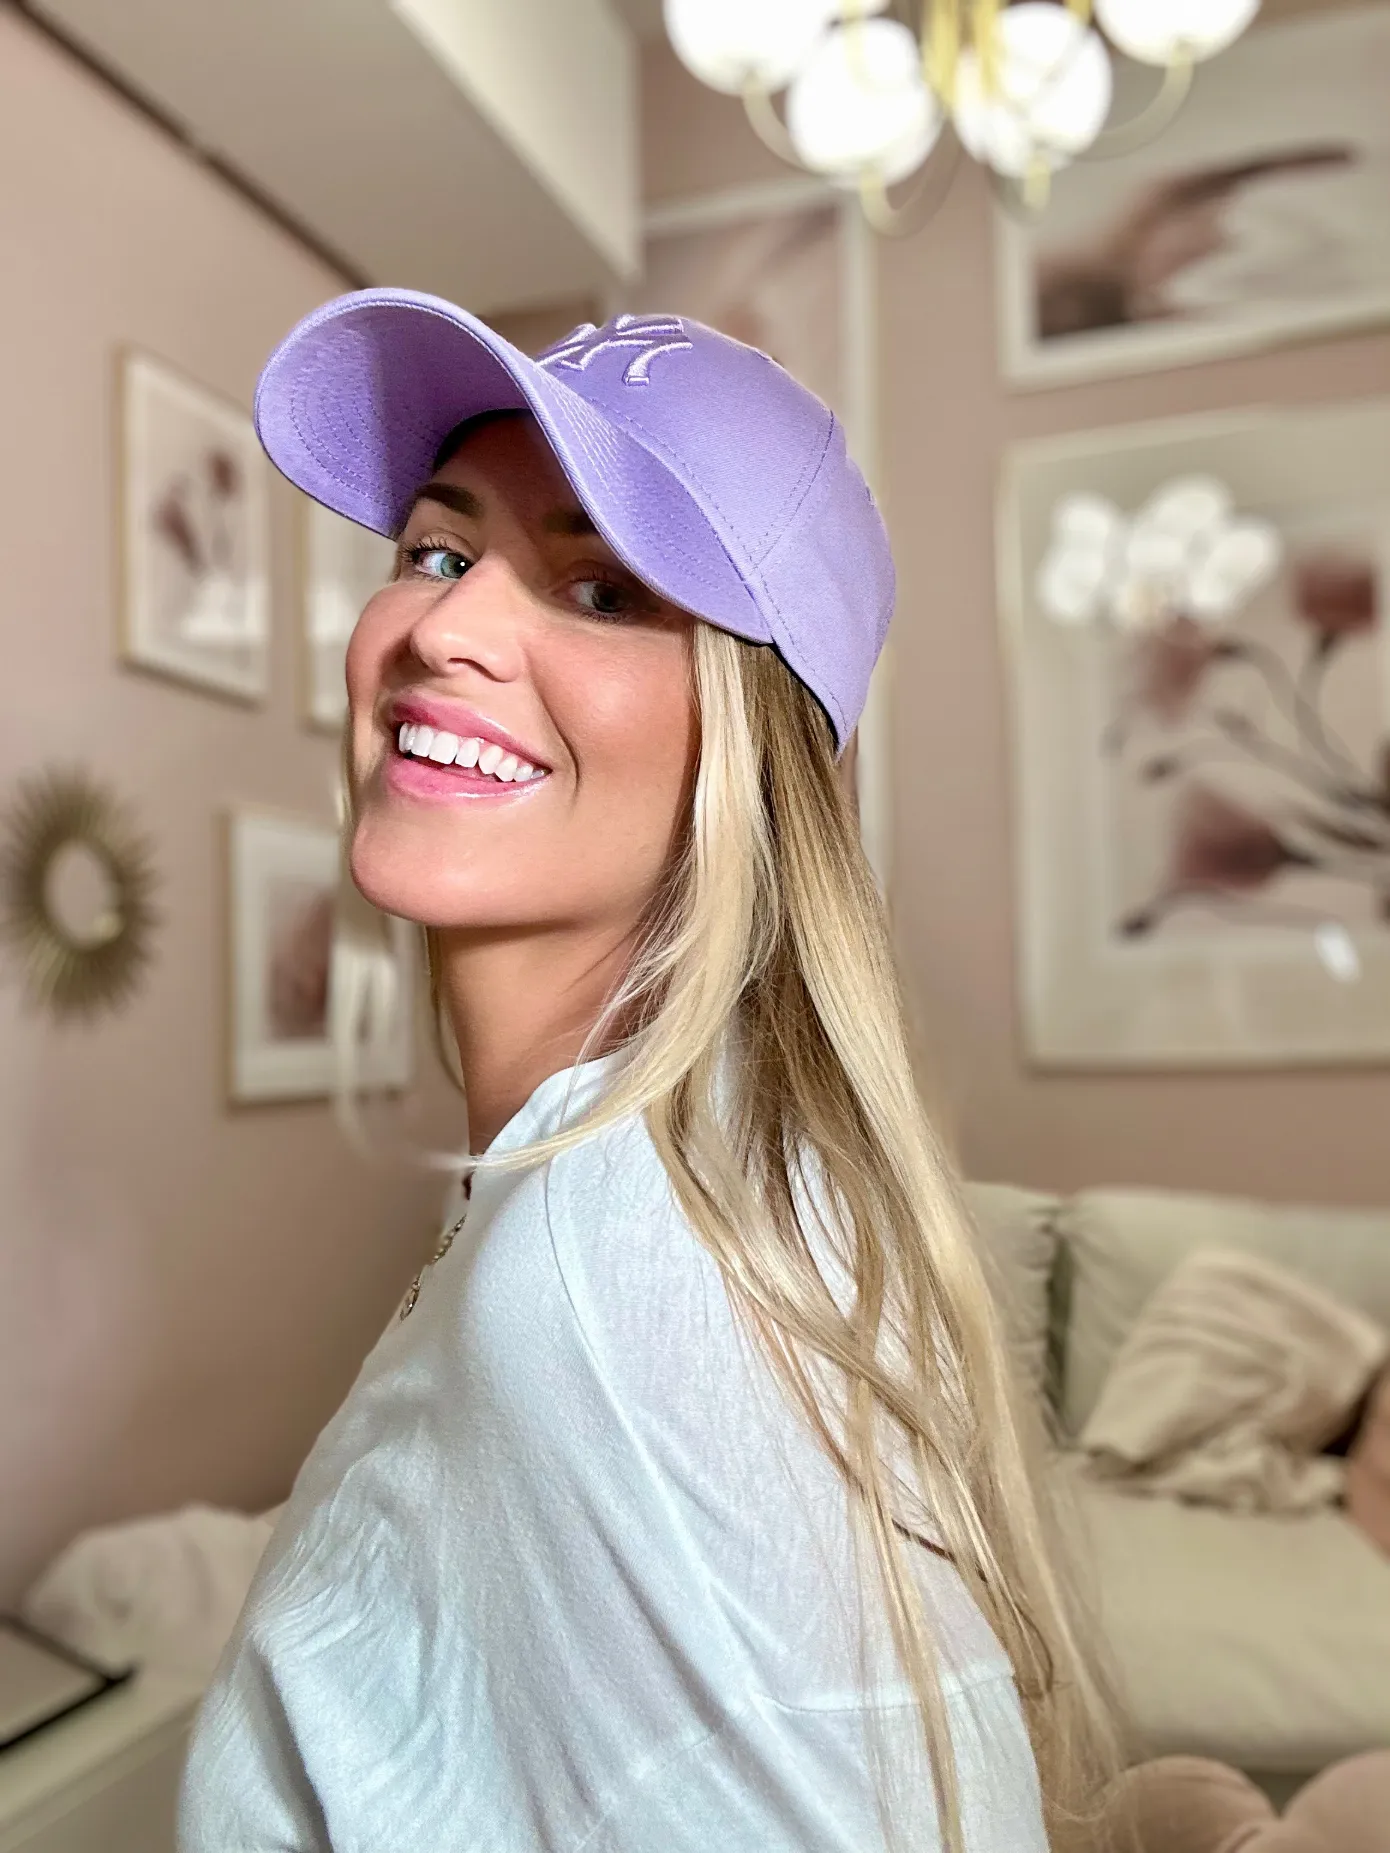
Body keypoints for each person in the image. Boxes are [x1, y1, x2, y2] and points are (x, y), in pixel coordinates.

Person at [178, 292, 1115, 1852]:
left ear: (744, 752)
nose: (447, 626)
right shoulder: (625, 1186)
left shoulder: (629, 1277)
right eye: (435, 547)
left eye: (604, 590)